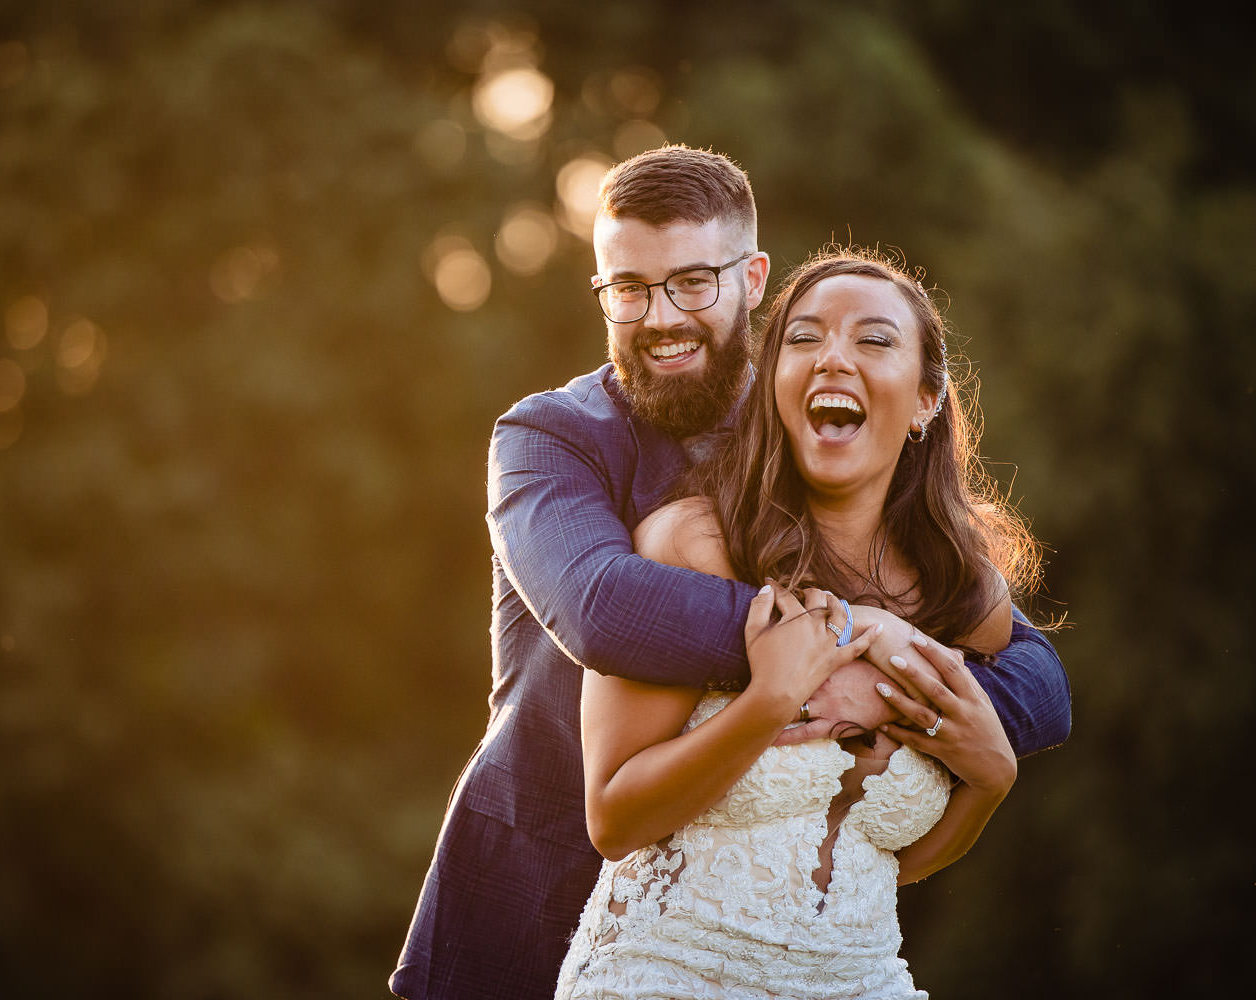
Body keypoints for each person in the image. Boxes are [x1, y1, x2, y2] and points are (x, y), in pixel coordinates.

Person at [389, 145, 1070, 1000]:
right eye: (628, 289)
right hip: (533, 887)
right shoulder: (549, 438)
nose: (660, 315)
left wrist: (898, 698)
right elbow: (605, 612)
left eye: (693, 283)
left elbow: (1036, 677)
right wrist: (856, 644)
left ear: (753, 280)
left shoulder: (819, 428)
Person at [555, 246, 1031, 998]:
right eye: (804, 339)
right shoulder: (694, 545)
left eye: (873, 340)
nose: (833, 358)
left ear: (926, 399)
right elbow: (613, 820)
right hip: (667, 976)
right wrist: (767, 702)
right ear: (775, 384)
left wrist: (993, 777)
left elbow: (897, 866)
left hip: (865, 980)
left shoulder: (970, 599)